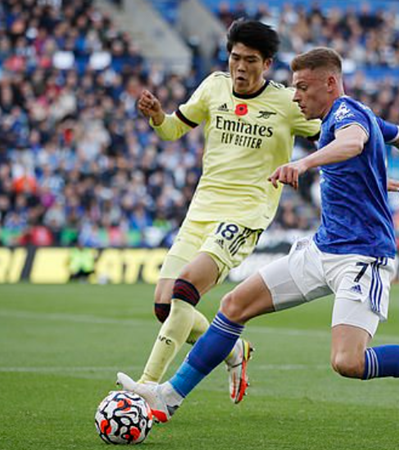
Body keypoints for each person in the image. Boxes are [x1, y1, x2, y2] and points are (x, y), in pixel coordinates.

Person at [118, 47, 399, 422]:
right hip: (322, 249)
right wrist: (384, 168)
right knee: (233, 306)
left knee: (348, 362)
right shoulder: (352, 117)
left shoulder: (346, 113)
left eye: (303, 88)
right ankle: (169, 395)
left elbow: (354, 142)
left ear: (330, 83)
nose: (296, 96)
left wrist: (304, 162)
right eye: (294, 88)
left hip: (362, 257)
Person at [120, 19, 322, 405]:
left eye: (250, 60)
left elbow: (332, 137)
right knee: (165, 306)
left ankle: (148, 386)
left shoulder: (285, 103)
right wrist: (158, 117)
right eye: (234, 58)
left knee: (185, 291)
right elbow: (173, 130)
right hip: (202, 209)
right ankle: (232, 349)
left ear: (267, 64)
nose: (240, 68)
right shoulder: (213, 86)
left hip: (245, 214)